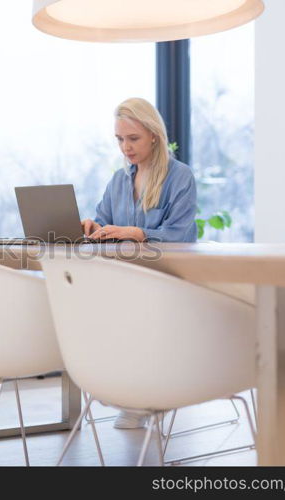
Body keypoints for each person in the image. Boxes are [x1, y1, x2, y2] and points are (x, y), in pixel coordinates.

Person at [81, 97, 198, 429]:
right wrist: (91, 226)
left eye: (132, 139)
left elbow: (180, 235)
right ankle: (123, 387)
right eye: (119, 139)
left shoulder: (180, 177)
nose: (125, 147)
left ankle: (141, 393)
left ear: (153, 136)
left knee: (128, 310)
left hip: (168, 279)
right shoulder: (119, 181)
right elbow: (104, 221)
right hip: (126, 278)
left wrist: (139, 233)